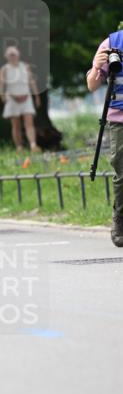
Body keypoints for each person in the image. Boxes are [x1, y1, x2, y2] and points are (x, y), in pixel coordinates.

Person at [87, 30, 123, 247]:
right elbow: (92, 85)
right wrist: (97, 68)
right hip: (120, 118)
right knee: (122, 169)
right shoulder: (112, 42)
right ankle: (120, 217)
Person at [0, 46, 40, 153]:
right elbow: (1, 84)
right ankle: (19, 147)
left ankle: (33, 145)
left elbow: (31, 81)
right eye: (10, 55)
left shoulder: (25, 66)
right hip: (12, 99)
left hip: (26, 97)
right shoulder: (4, 69)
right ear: (7, 57)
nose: (13, 57)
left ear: (18, 55)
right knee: (16, 125)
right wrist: (2, 96)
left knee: (29, 123)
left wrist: (36, 96)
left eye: (14, 54)